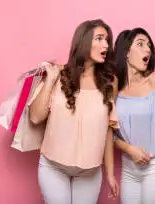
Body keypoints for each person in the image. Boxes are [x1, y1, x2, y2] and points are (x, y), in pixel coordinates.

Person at [29, 19, 119, 204]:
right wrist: (50, 80)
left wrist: (110, 174)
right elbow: (36, 117)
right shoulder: (59, 74)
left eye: (107, 40)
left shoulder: (110, 82)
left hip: (90, 172)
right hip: (54, 167)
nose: (106, 45)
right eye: (100, 39)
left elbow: (108, 130)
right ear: (84, 42)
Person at [112, 27, 155, 204]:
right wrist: (129, 149)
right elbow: (107, 132)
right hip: (128, 168)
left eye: (149, 45)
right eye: (140, 44)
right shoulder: (114, 88)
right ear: (126, 52)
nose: (147, 49)